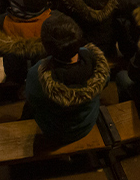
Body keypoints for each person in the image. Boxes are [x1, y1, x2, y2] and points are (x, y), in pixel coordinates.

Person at [24, 13, 110, 144]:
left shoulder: (37, 75)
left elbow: (33, 99)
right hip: (87, 122)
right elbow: (106, 81)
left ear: (46, 46)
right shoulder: (96, 62)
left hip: (56, 131)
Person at [0, 0, 53, 84]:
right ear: (46, 1)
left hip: (13, 75)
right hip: (42, 76)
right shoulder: (53, 22)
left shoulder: (2, 21)